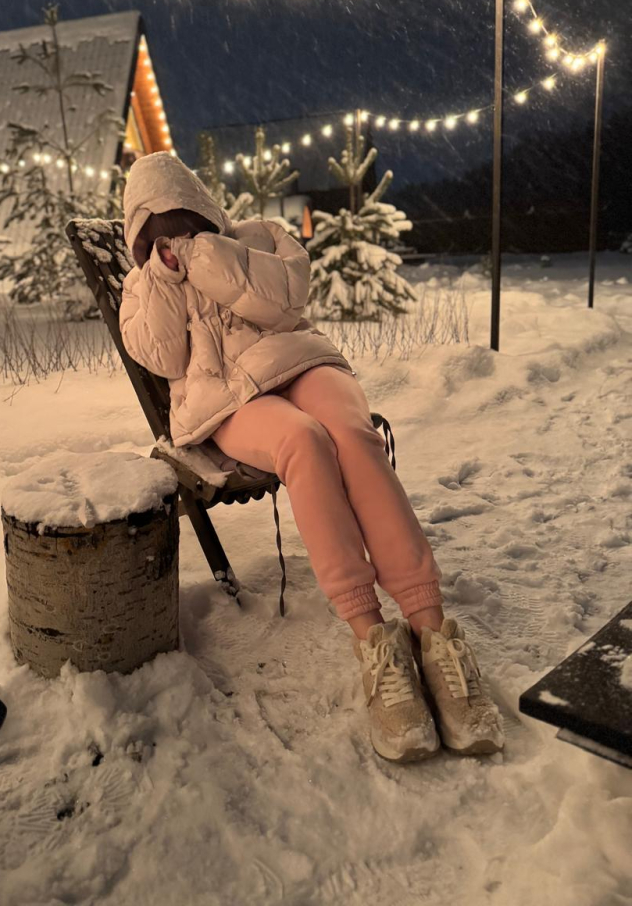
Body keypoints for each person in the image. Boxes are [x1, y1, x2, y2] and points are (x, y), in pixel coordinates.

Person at [119, 151, 504, 763]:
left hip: (305, 365)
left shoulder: (258, 236)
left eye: (181, 217)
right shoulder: (141, 286)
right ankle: (374, 641)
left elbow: (285, 302)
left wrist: (208, 254)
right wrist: (165, 277)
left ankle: (433, 633)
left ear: (201, 206)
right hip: (229, 403)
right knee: (304, 441)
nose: (172, 235)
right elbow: (164, 359)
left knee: (352, 434)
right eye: (155, 230)